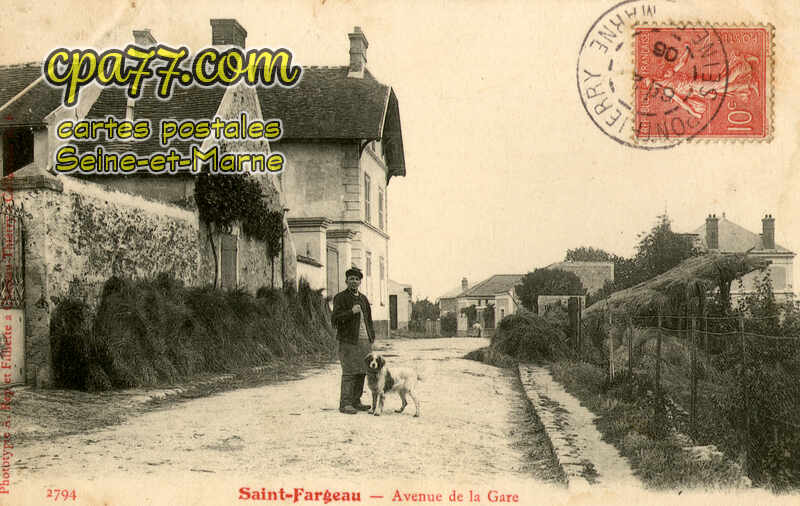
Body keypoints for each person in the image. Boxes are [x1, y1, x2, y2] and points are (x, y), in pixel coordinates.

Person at [331, 266, 375, 414]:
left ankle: (356, 401)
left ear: (360, 282)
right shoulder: (340, 298)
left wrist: (371, 337)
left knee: (362, 371)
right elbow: (335, 319)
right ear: (346, 281)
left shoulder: (363, 299)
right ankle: (345, 404)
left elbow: (369, 319)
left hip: (364, 340)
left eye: (357, 279)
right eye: (351, 279)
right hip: (348, 340)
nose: (354, 281)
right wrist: (351, 312)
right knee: (349, 371)